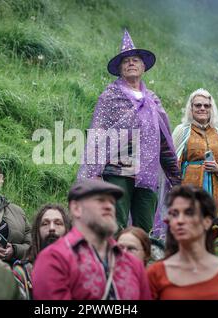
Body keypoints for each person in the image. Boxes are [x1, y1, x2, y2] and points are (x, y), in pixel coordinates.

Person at [77, 29, 180, 238]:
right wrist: (94, 171)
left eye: (135, 60)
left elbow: (164, 140)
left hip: (148, 174)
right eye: (126, 61)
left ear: (143, 67)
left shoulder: (153, 101)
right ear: (120, 69)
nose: (131, 63)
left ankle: (139, 268)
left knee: (144, 229)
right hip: (118, 171)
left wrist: (175, 175)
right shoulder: (110, 97)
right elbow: (98, 132)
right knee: (116, 224)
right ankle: (113, 266)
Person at [32, 179, 152, 300]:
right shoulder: (55, 258)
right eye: (100, 200)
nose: (109, 206)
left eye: (112, 201)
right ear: (76, 208)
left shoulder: (133, 263)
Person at [147, 185, 218, 300]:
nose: (180, 221)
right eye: (174, 214)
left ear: (207, 222)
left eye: (189, 213)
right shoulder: (156, 273)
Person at [172, 89, 218, 217]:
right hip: (188, 191)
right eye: (198, 105)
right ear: (191, 109)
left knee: (212, 229)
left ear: (211, 109)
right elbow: (172, 164)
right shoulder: (182, 132)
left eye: (206, 105)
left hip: (215, 194)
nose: (202, 108)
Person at [12, 203, 71, 299]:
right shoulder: (22, 273)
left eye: (58, 223)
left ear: (67, 230)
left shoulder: (81, 269)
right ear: (37, 233)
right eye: (45, 224)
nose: (52, 228)